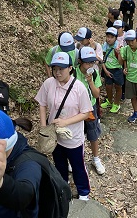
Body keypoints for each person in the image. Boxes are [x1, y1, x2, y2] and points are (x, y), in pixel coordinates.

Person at [35, 52, 92, 201]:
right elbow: (42, 104)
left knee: (78, 165)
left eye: (62, 68)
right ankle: (63, 187)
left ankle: (83, 192)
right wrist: (43, 127)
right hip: (55, 136)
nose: (58, 72)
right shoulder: (49, 83)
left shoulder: (79, 88)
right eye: (55, 69)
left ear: (70, 68)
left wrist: (65, 122)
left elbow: (86, 113)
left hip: (73, 136)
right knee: (59, 164)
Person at [74, 47, 105, 175]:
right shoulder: (73, 73)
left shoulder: (95, 73)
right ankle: (76, 160)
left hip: (90, 108)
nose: (90, 65)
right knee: (77, 134)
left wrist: (90, 81)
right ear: (80, 61)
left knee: (93, 134)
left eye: (92, 62)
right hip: (76, 109)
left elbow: (97, 94)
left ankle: (95, 159)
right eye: (87, 62)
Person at [100, 27, 124, 113]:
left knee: (118, 87)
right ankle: (110, 101)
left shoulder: (119, 47)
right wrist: (105, 70)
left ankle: (116, 103)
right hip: (107, 69)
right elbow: (102, 59)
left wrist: (119, 53)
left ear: (116, 38)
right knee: (108, 87)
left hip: (117, 70)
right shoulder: (105, 45)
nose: (109, 39)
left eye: (111, 37)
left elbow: (121, 62)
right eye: (108, 36)